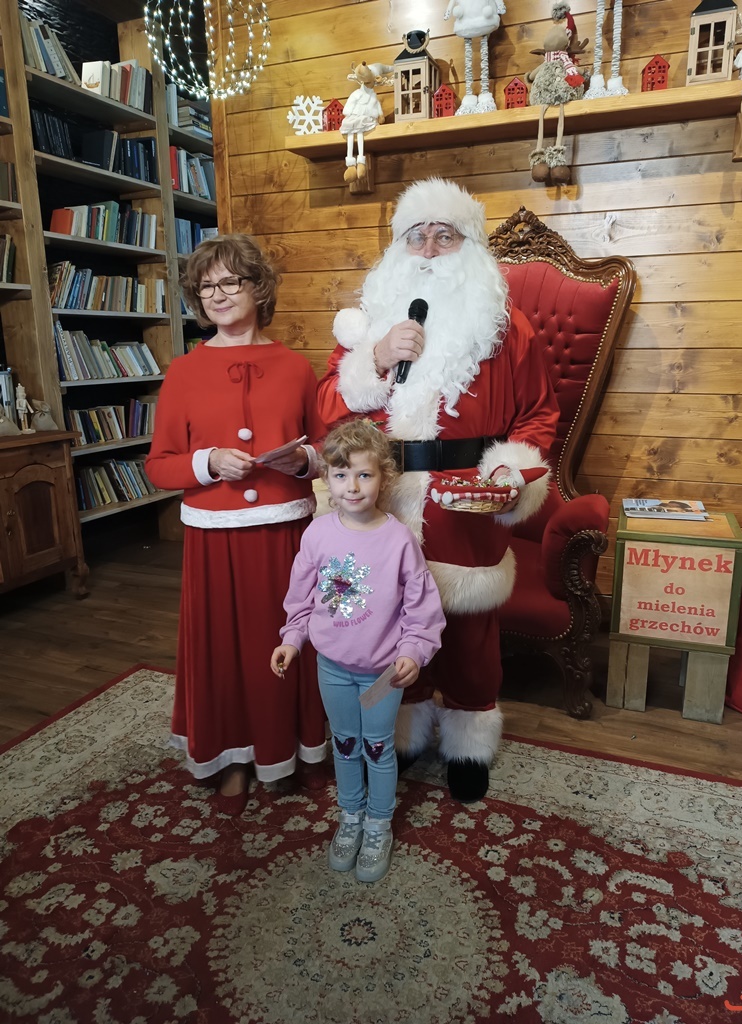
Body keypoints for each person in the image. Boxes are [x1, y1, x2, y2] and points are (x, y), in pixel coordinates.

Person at [317, 177, 560, 803]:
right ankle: (404, 725)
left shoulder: (507, 328)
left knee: (469, 630)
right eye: (416, 236)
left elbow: (537, 415)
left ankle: (468, 739)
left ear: (470, 245)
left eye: (444, 236)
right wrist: (375, 357)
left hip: (465, 496)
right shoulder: (368, 326)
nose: (428, 249)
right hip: (384, 497)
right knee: (389, 619)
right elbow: (327, 409)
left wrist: (510, 473)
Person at [145, 234, 327, 815]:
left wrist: (305, 461)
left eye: (231, 281)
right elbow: (159, 466)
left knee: (285, 641)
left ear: (258, 287)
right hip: (214, 540)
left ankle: (287, 749)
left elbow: (324, 448)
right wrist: (208, 462)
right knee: (224, 651)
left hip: (284, 536)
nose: (218, 294)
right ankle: (232, 758)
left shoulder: (297, 368)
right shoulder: (182, 372)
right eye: (206, 287)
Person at [270, 420, 445, 882]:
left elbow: (422, 608)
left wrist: (414, 651)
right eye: (342, 474)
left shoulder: (400, 540)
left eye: (364, 475)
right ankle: (351, 816)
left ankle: (378, 824)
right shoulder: (317, 535)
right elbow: (301, 600)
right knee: (345, 745)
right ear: (327, 479)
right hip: (332, 668)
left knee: (377, 746)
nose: (352, 486)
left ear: (383, 478)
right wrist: (291, 640)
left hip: (383, 673)